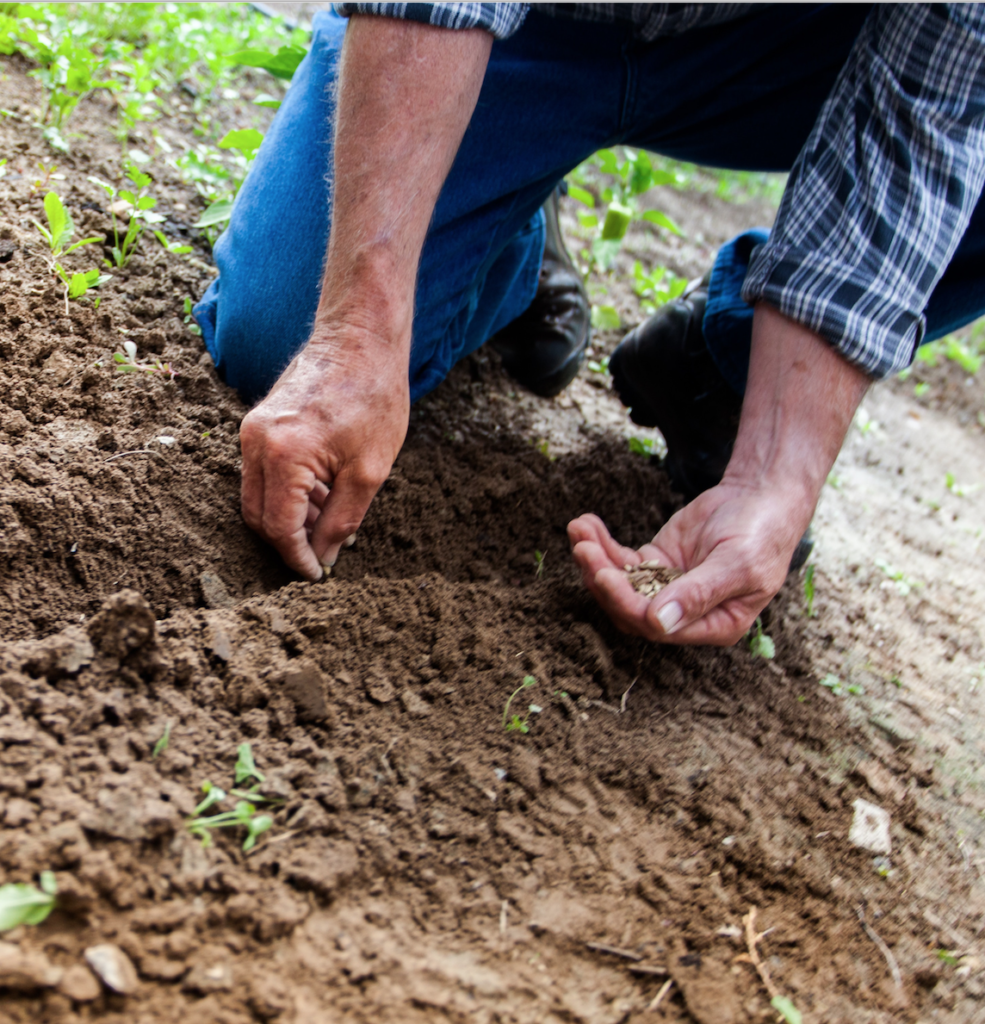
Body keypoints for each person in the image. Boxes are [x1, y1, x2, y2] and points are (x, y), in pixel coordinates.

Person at [194, 3, 985, 647]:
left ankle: (727, 366)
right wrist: (356, 333)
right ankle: (508, 232)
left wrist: (774, 475)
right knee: (283, 336)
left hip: (787, 46)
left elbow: (928, 116)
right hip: (530, 27)